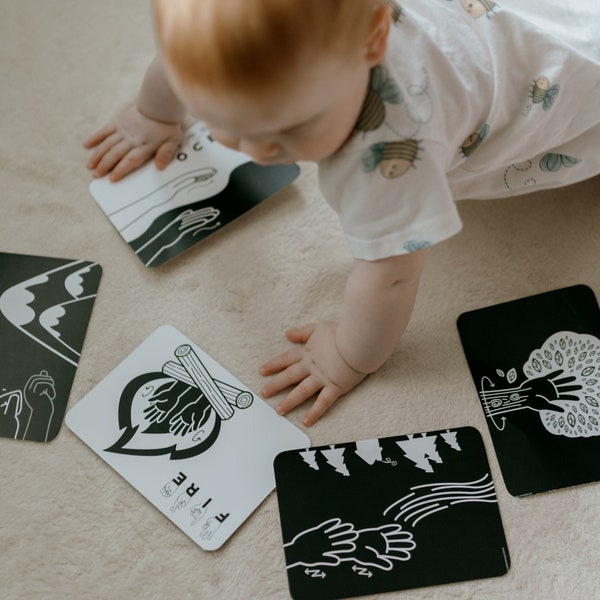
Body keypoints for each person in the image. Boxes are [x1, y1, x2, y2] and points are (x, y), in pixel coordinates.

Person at [85, 0, 600, 426]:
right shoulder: (241, 41)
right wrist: (154, 113)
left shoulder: (388, 154)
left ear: (374, 37)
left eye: (293, 127)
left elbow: (391, 279)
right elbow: (179, 66)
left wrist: (350, 355)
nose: (260, 151)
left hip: (578, 67)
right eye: (226, 121)